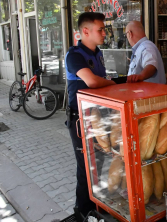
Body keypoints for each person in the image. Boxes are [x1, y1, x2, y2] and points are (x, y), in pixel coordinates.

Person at [65, 12, 116, 216]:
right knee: (86, 167)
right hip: (81, 119)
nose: (105, 33)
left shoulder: (98, 53)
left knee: (99, 163)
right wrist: (112, 83)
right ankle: (82, 211)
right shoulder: (75, 55)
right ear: (85, 31)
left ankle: (96, 208)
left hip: (98, 116)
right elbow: (93, 82)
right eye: (101, 29)